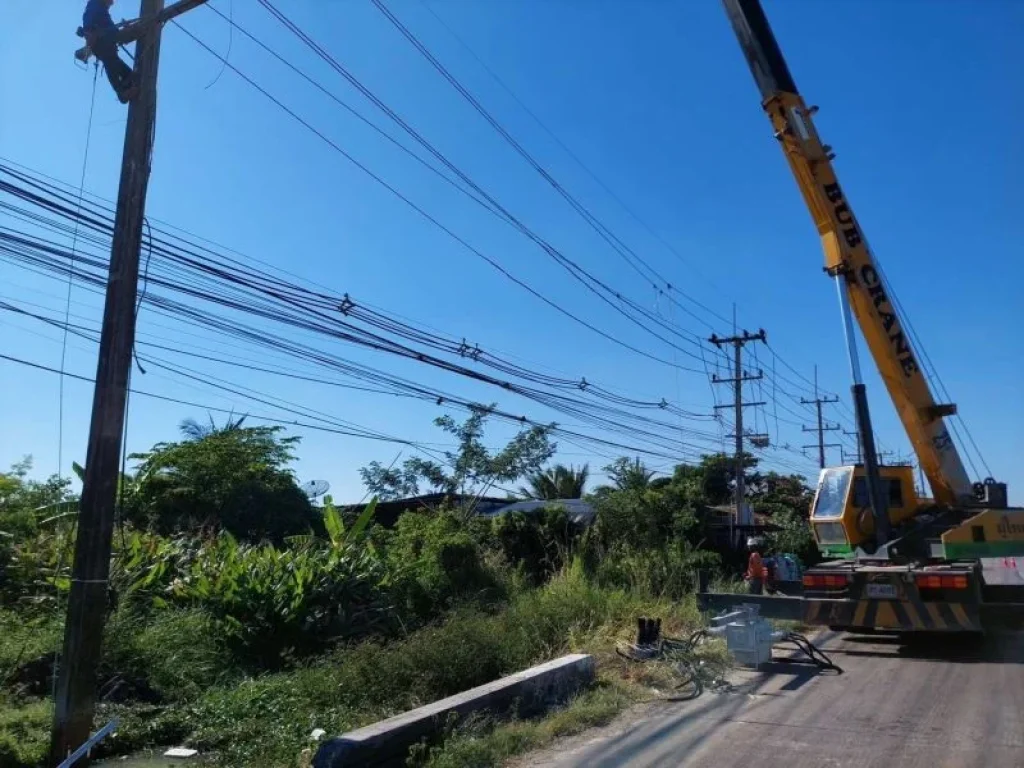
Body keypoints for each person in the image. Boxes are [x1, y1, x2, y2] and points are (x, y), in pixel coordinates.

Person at [82, 0, 137, 103]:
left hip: (106, 43)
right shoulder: (95, 6)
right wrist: (90, 33)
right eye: (110, 2)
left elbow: (113, 31)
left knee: (126, 71)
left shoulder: (102, 11)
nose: (111, 4)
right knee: (111, 62)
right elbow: (89, 23)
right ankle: (122, 92)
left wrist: (125, 31)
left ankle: (128, 84)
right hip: (101, 43)